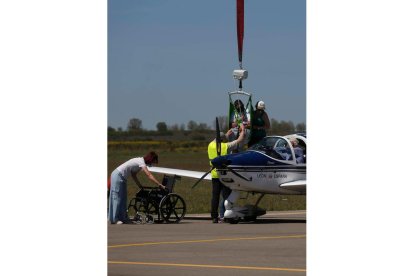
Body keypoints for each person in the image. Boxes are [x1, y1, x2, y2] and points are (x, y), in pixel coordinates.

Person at [108, 151, 166, 224]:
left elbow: (133, 174)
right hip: (118, 176)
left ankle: (123, 218)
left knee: (123, 198)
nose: (152, 164)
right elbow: (149, 175)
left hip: (122, 177)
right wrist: (159, 184)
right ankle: (114, 219)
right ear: (150, 159)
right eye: (153, 162)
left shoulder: (140, 162)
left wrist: (139, 185)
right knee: (117, 198)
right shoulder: (141, 162)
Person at [208, 124, 246, 223]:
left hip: (214, 174)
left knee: (215, 196)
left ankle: (214, 217)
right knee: (226, 196)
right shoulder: (225, 146)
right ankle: (225, 215)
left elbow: (216, 139)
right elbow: (239, 140)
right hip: (224, 175)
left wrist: (225, 134)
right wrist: (243, 130)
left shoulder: (210, 145)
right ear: (222, 140)